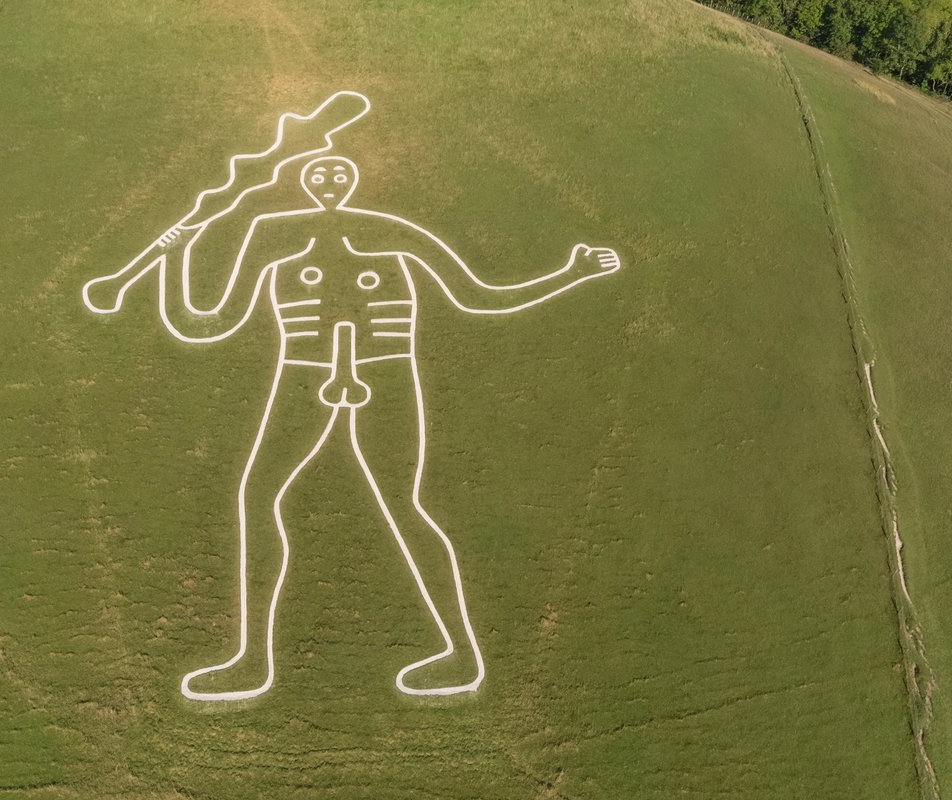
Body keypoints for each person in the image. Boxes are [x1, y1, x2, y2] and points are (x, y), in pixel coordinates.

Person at [84, 155, 621, 701]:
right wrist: (178, 258)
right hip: (304, 373)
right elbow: (206, 322)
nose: (330, 184)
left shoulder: (389, 232)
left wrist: (570, 273)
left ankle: (460, 653)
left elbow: (476, 295)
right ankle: (251, 660)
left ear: (355, 179)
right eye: (319, 175)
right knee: (259, 496)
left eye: (340, 174)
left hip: (384, 373)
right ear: (302, 181)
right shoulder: (272, 233)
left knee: (401, 504)